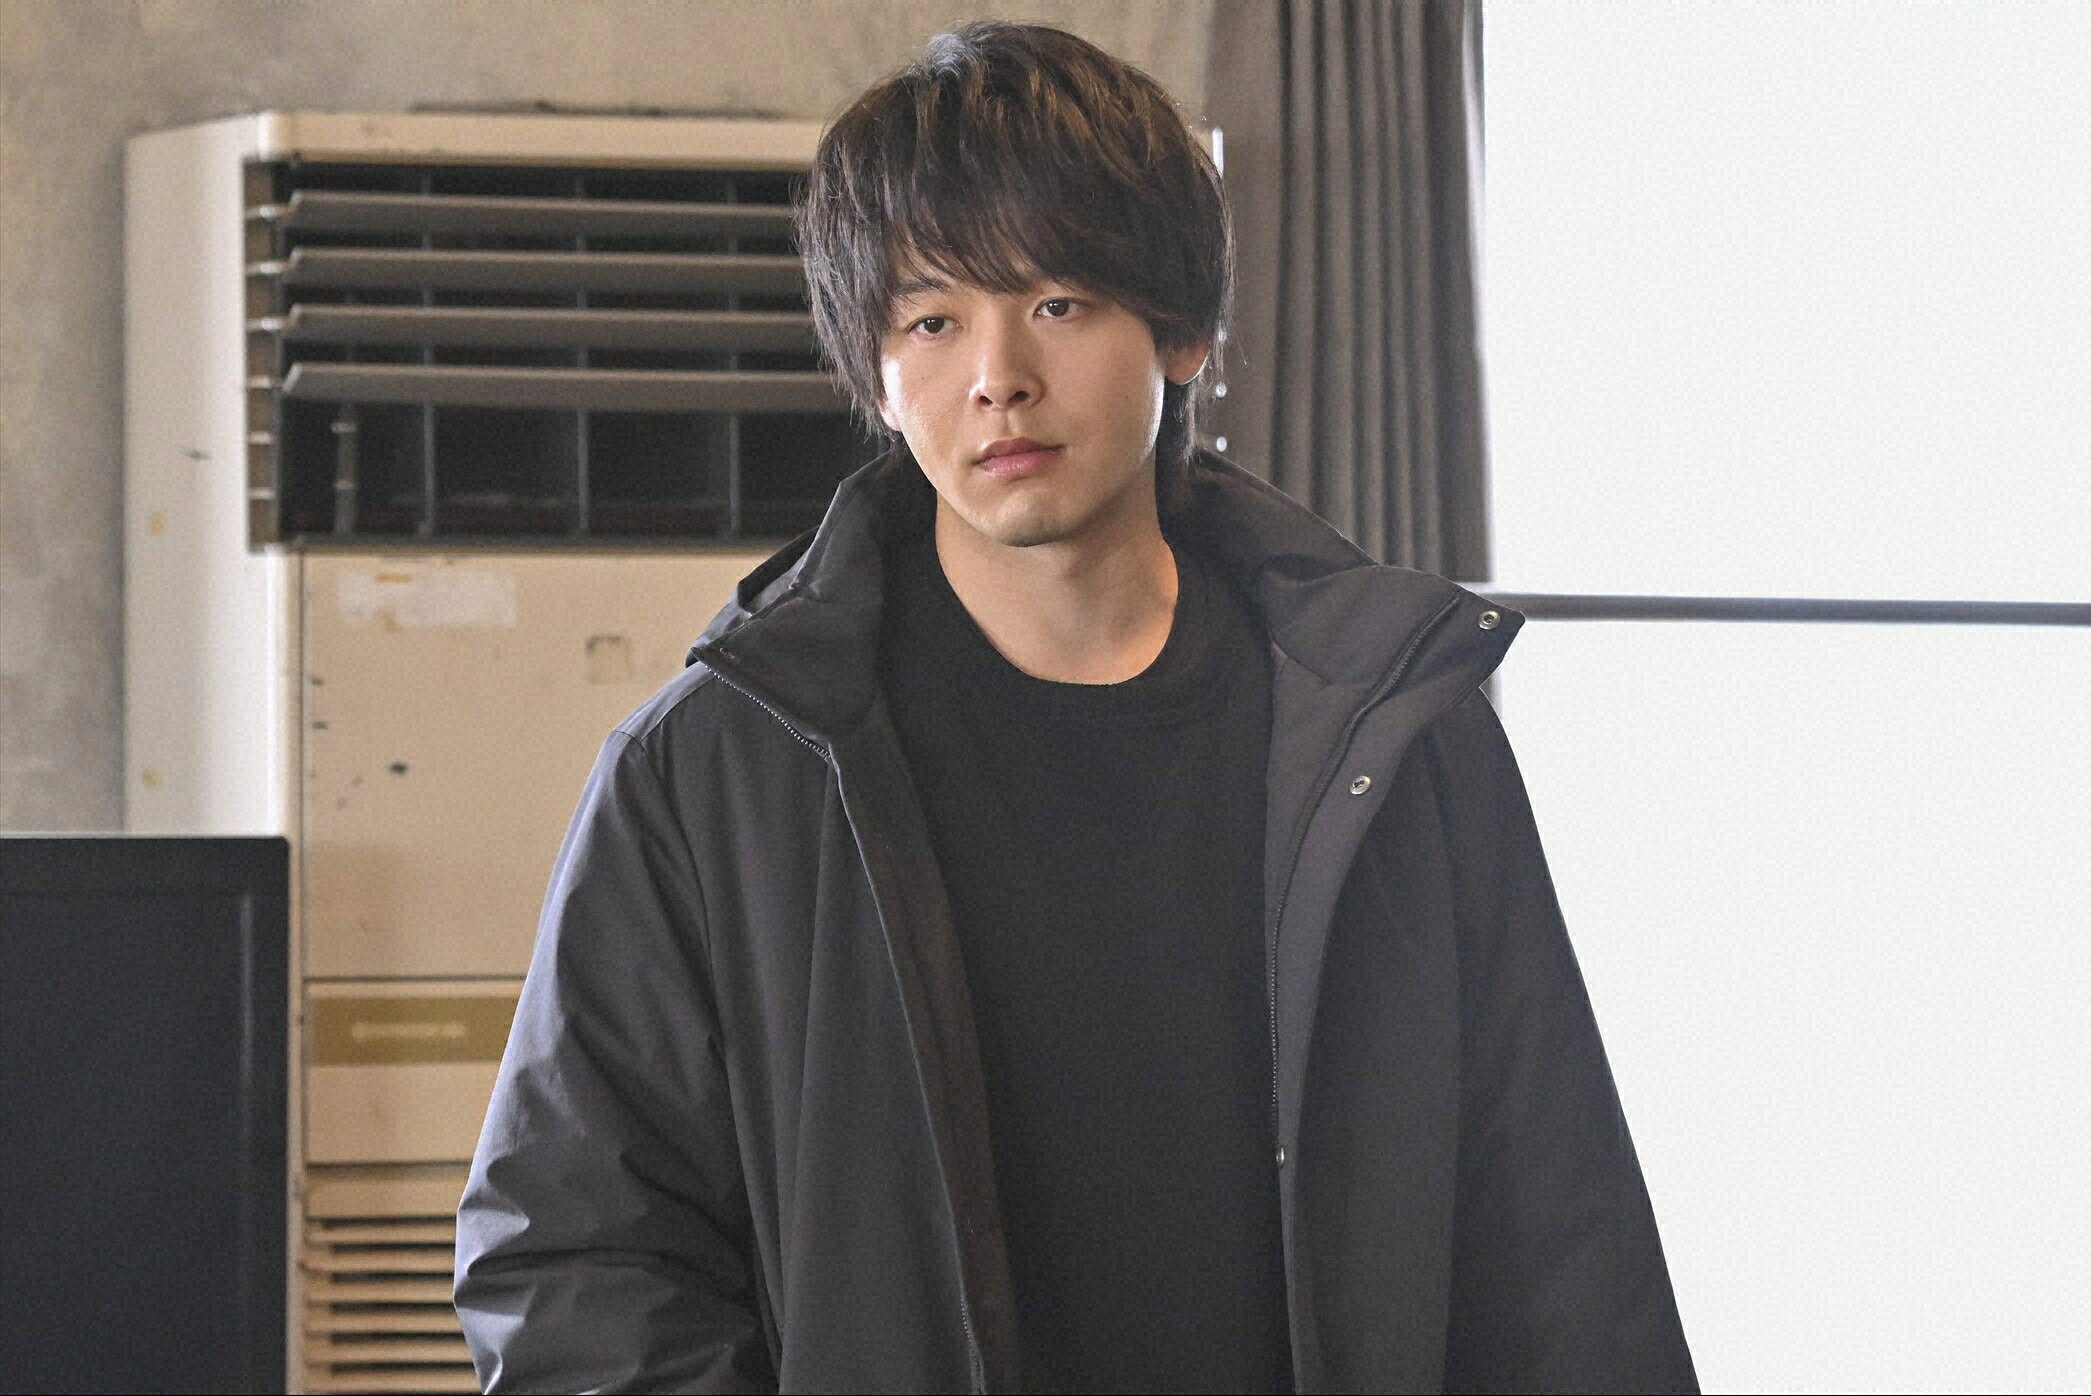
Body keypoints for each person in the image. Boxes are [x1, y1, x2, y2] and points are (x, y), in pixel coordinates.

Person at [454, 19, 1696, 1395]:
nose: (998, 377)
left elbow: (1560, 1238)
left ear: (1184, 333)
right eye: (933, 320)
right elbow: (575, 1261)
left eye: (1057, 302)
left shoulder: (1389, 726)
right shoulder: (722, 766)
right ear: (878, 372)